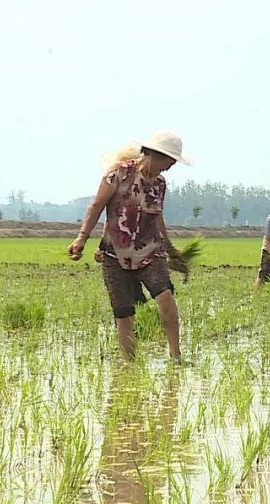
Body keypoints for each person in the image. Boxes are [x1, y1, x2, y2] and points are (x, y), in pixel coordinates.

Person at [67, 131, 193, 361]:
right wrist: (82, 238)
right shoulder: (118, 173)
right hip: (115, 253)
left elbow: (158, 216)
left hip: (150, 250)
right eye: (169, 160)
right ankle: (129, 364)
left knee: (165, 297)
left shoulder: (160, 184)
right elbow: (96, 206)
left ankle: (176, 357)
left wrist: (171, 249)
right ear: (155, 155)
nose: (171, 166)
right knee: (123, 313)